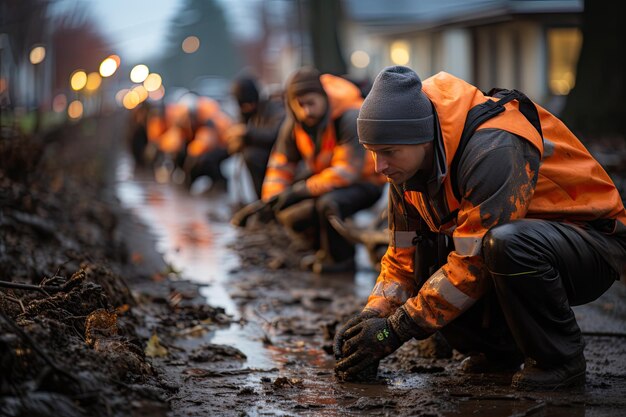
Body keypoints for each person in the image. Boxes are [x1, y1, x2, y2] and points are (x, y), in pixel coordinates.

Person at [334, 65, 626, 390]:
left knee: (504, 245)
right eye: (373, 152)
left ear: (423, 138)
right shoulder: (405, 174)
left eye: (388, 152)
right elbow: (402, 255)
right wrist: (374, 315)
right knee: (430, 250)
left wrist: (398, 329)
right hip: (523, 244)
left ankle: (559, 361)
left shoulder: (494, 148)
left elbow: (472, 264)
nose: (379, 166)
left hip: (593, 244)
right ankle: (498, 352)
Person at [260, 66, 386, 274]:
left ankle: (342, 261)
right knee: (292, 214)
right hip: (327, 181)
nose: (306, 111)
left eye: (311, 103)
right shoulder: (293, 126)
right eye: (300, 105)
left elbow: (346, 171)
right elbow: (279, 167)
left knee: (328, 203)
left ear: (324, 98)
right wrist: (271, 200)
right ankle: (324, 250)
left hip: (367, 183)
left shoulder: (348, 117)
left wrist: (300, 190)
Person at [224, 74, 286, 199]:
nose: (246, 107)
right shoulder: (248, 114)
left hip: (276, 154)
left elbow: (275, 134)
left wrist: (246, 132)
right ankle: (259, 200)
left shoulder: (273, 107)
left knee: (251, 156)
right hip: (260, 156)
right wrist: (236, 141)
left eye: (248, 103)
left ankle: (265, 199)